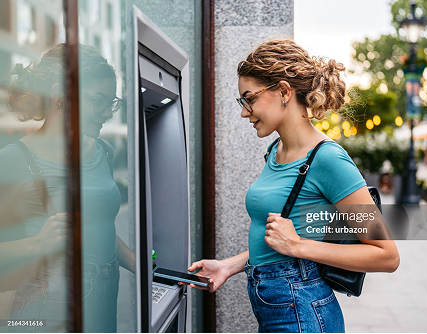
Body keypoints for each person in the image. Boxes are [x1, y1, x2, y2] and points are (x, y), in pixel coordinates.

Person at [181, 39, 399, 333]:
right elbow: (282, 241)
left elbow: (386, 255)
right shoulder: (276, 150)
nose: (245, 112)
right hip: (275, 309)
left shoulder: (328, 159)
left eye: (250, 99)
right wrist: (230, 265)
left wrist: (299, 246)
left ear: (284, 91)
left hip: (304, 314)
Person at [0, 44, 135, 332]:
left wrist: (143, 265)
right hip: (44, 308)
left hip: (104, 297)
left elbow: (101, 227)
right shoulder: (13, 159)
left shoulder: (104, 151)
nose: (106, 112)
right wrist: (36, 244)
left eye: (110, 102)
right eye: (97, 100)